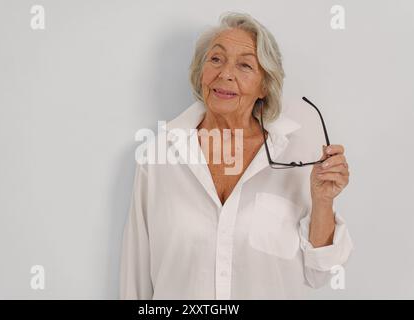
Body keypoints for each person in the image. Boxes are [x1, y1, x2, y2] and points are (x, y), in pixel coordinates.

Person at [120, 11, 353, 299]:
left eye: (244, 65)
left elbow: (320, 271)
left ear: (264, 86)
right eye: (216, 59)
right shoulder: (159, 155)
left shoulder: (298, 156)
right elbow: (136, 274)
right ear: (200, 72)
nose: (225, 74)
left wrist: (323, 201)